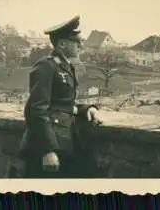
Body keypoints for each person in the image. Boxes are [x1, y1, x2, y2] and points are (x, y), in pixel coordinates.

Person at [19, 15, 103, 178]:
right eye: (76, 41)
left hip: (65, 142)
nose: (80, 45)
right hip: (49, 149)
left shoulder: (65, 66)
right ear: (62, 44)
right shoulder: (46, 66)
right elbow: (35, 109)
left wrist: (87, 109)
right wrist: (48, 150)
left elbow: (62, 103)